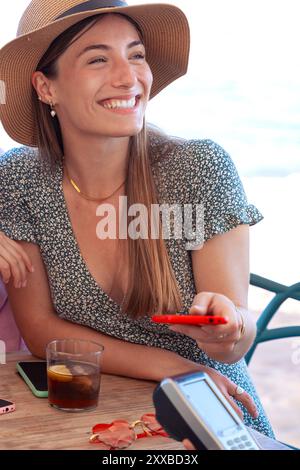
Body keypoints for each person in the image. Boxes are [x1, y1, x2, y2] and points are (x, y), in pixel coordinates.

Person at [0, 0, 274, 438]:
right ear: (44, 87)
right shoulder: (19, 178)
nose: (129, 78)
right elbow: (41, 331)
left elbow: (233, 342)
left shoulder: (198, 168)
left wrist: (231, 328)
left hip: (205, 407)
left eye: (136, 54)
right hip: (93, 417)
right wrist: (173, 364)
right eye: (97, 59)